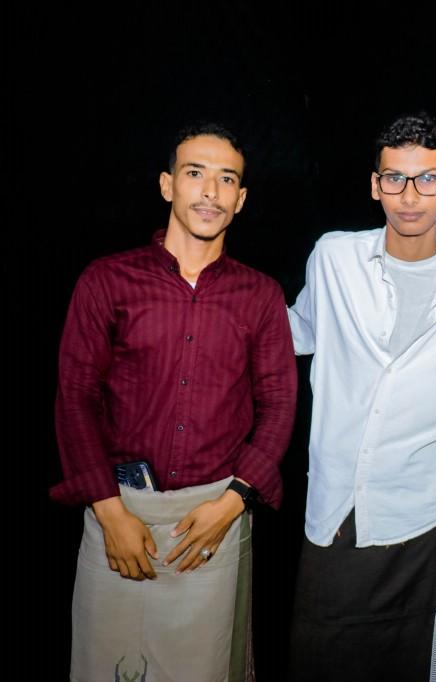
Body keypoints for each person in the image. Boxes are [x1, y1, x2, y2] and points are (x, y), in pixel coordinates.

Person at [52, 122, 297, 681]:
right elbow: (75, 398)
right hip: (118, 515)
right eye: (195, 173)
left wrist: (232, 504)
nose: (210, 191)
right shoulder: (107, 280)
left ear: (241, 199)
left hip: (212, 522)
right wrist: (110, 512)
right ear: (167, 185)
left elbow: (280, 403)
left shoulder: (260, 295)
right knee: (102, 667)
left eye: (226, 179)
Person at [287, 112, 436, 681]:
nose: (410, 196)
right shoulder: (334, 259)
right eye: (395, 179)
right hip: (335, 510)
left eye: (427, 179)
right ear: (375, 185)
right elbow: (292, 332)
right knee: (321, 662)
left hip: (425, 515)